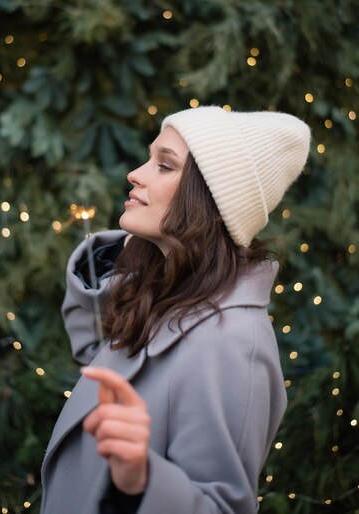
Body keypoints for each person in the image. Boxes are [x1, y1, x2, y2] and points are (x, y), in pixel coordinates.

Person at [40, 106, 311, 514]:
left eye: (164, 165)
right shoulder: (168, 294)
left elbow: (224, 507)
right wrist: (116, 259)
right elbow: (97, 363)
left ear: (211, 200)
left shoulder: (232, 344)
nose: (136, 173)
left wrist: (141, 481)